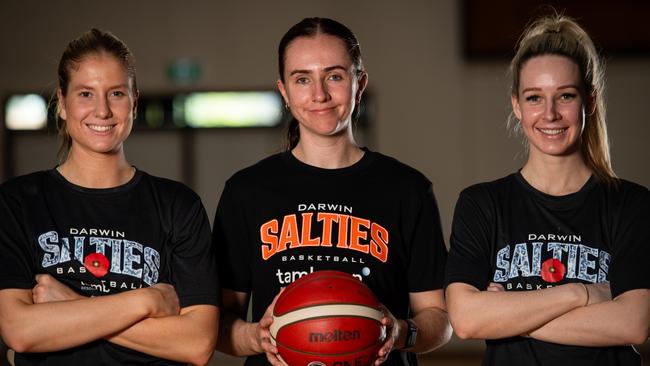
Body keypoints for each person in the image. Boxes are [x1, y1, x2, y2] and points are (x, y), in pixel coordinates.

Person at [213, 17, 451, 366]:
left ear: (360, 83)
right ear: (284, 91)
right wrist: (256, 337)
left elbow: (439, 320)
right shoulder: (246, 191)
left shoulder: (407, 188)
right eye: (303, 79)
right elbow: (217, 323)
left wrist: (400, 331)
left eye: (335, 76)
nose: (320, 94)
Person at [0, 29, 220, 366]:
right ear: (62, 103)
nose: (102, 110)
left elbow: (196, 343)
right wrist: (145, 301)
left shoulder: (178, 205)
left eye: (116, 93)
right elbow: (20, 331)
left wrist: (71, 302)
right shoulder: (17, 202)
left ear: (134, 101)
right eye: (86, 93)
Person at [445, 13, 650, 366]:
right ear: (517, 105)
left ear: (589, 101)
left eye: (565, 96)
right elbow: (466, 319)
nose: (550, 114)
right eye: (535, 98)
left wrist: (510, 316)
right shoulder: (482, 204)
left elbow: (634, 323)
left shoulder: (631, 204)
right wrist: (580, 293)